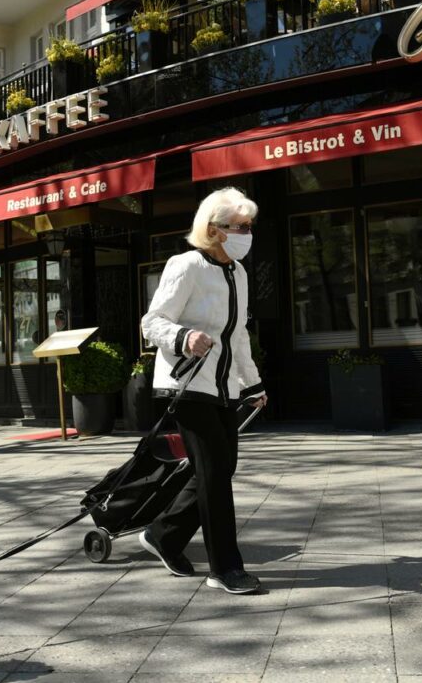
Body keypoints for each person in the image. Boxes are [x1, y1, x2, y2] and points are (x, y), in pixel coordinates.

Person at [139, 187, 267, 595]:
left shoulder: (239, 273)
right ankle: (225, 568)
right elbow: (152, 322)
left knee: (219, 468)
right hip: (186, 384)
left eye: (250, 225)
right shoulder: (187, 265)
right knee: (214, 476)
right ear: (214, 230)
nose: (248, 232)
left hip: (223, 386)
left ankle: (164, 535)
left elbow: (238, 335)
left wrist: (253, 383)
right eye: (240, 226)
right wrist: (184, 336)